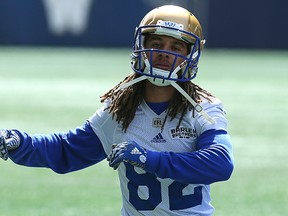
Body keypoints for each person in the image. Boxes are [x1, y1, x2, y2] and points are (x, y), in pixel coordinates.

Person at [0, 5, 234, 216]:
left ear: (191, 55)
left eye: (176, 47)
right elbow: (66, 150)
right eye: (156, 44)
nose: (165, 53)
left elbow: (221, 163)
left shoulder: (203, 107)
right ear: (141, 46)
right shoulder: (121, 110)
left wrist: (147, 159)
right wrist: (21, 143)